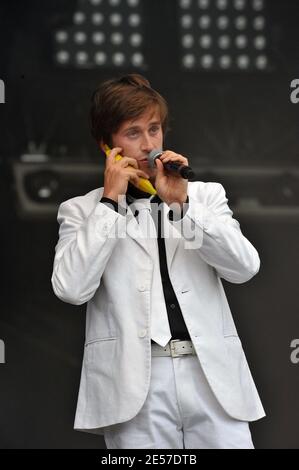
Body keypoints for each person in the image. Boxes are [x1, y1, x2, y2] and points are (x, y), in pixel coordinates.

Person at [51, 74, 265, 449]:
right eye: (133, 133)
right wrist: (110, 204)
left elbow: (244, 267)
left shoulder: (204, 195)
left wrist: (182, 207)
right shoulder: (81, 210)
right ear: (107, 146)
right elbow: (71, 289)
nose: (149, 145)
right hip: (134, 384)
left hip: (211, 376)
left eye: (154, 129)